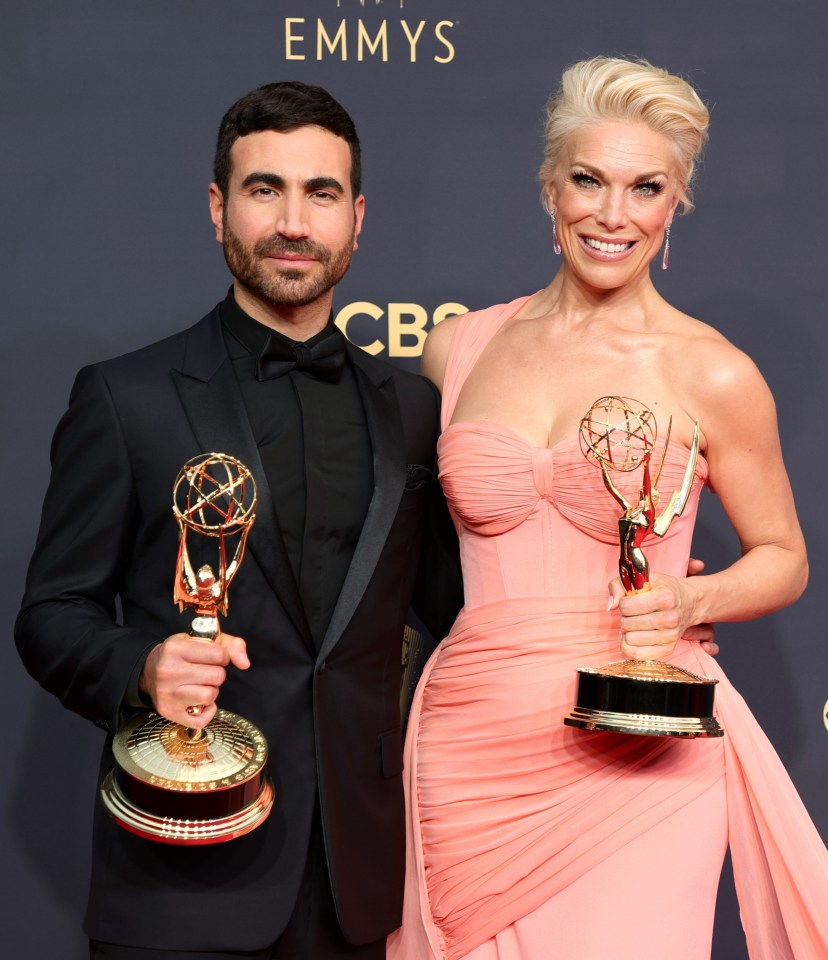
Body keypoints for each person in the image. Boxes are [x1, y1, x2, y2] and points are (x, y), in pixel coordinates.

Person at [387, 57, 828, 960]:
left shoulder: (712, 370)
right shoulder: (458, 349)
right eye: (589, 180)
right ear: (550, 188)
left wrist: (690, 603)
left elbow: (784, 554)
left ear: (676, 209)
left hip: (640, 741)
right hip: (471, 736)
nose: (613, 214)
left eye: (646, 188)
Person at [15, 81, 460, 959]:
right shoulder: (126, 397)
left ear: (358, 217)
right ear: (219, 207)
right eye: (266, 189)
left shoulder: (412, 410)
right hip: (180, 869)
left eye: (321, 193)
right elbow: (50, 615)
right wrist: (140, 664)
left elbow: (461, 612)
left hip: (358, 885)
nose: (294, 221)